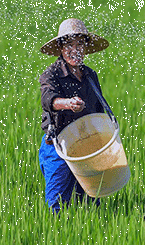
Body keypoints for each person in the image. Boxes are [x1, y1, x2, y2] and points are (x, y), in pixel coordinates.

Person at [38, 18, 109, 213]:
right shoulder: (51, 74)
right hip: (58, 145)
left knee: (89, 201)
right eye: (69, 44)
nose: (75, 50)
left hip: (86, 144)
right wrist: (68, 104)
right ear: (61, 47)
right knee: (57, 203)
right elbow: (48, 100)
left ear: (85, 48)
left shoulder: (90, 75)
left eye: (79, 44)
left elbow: (98, 110)